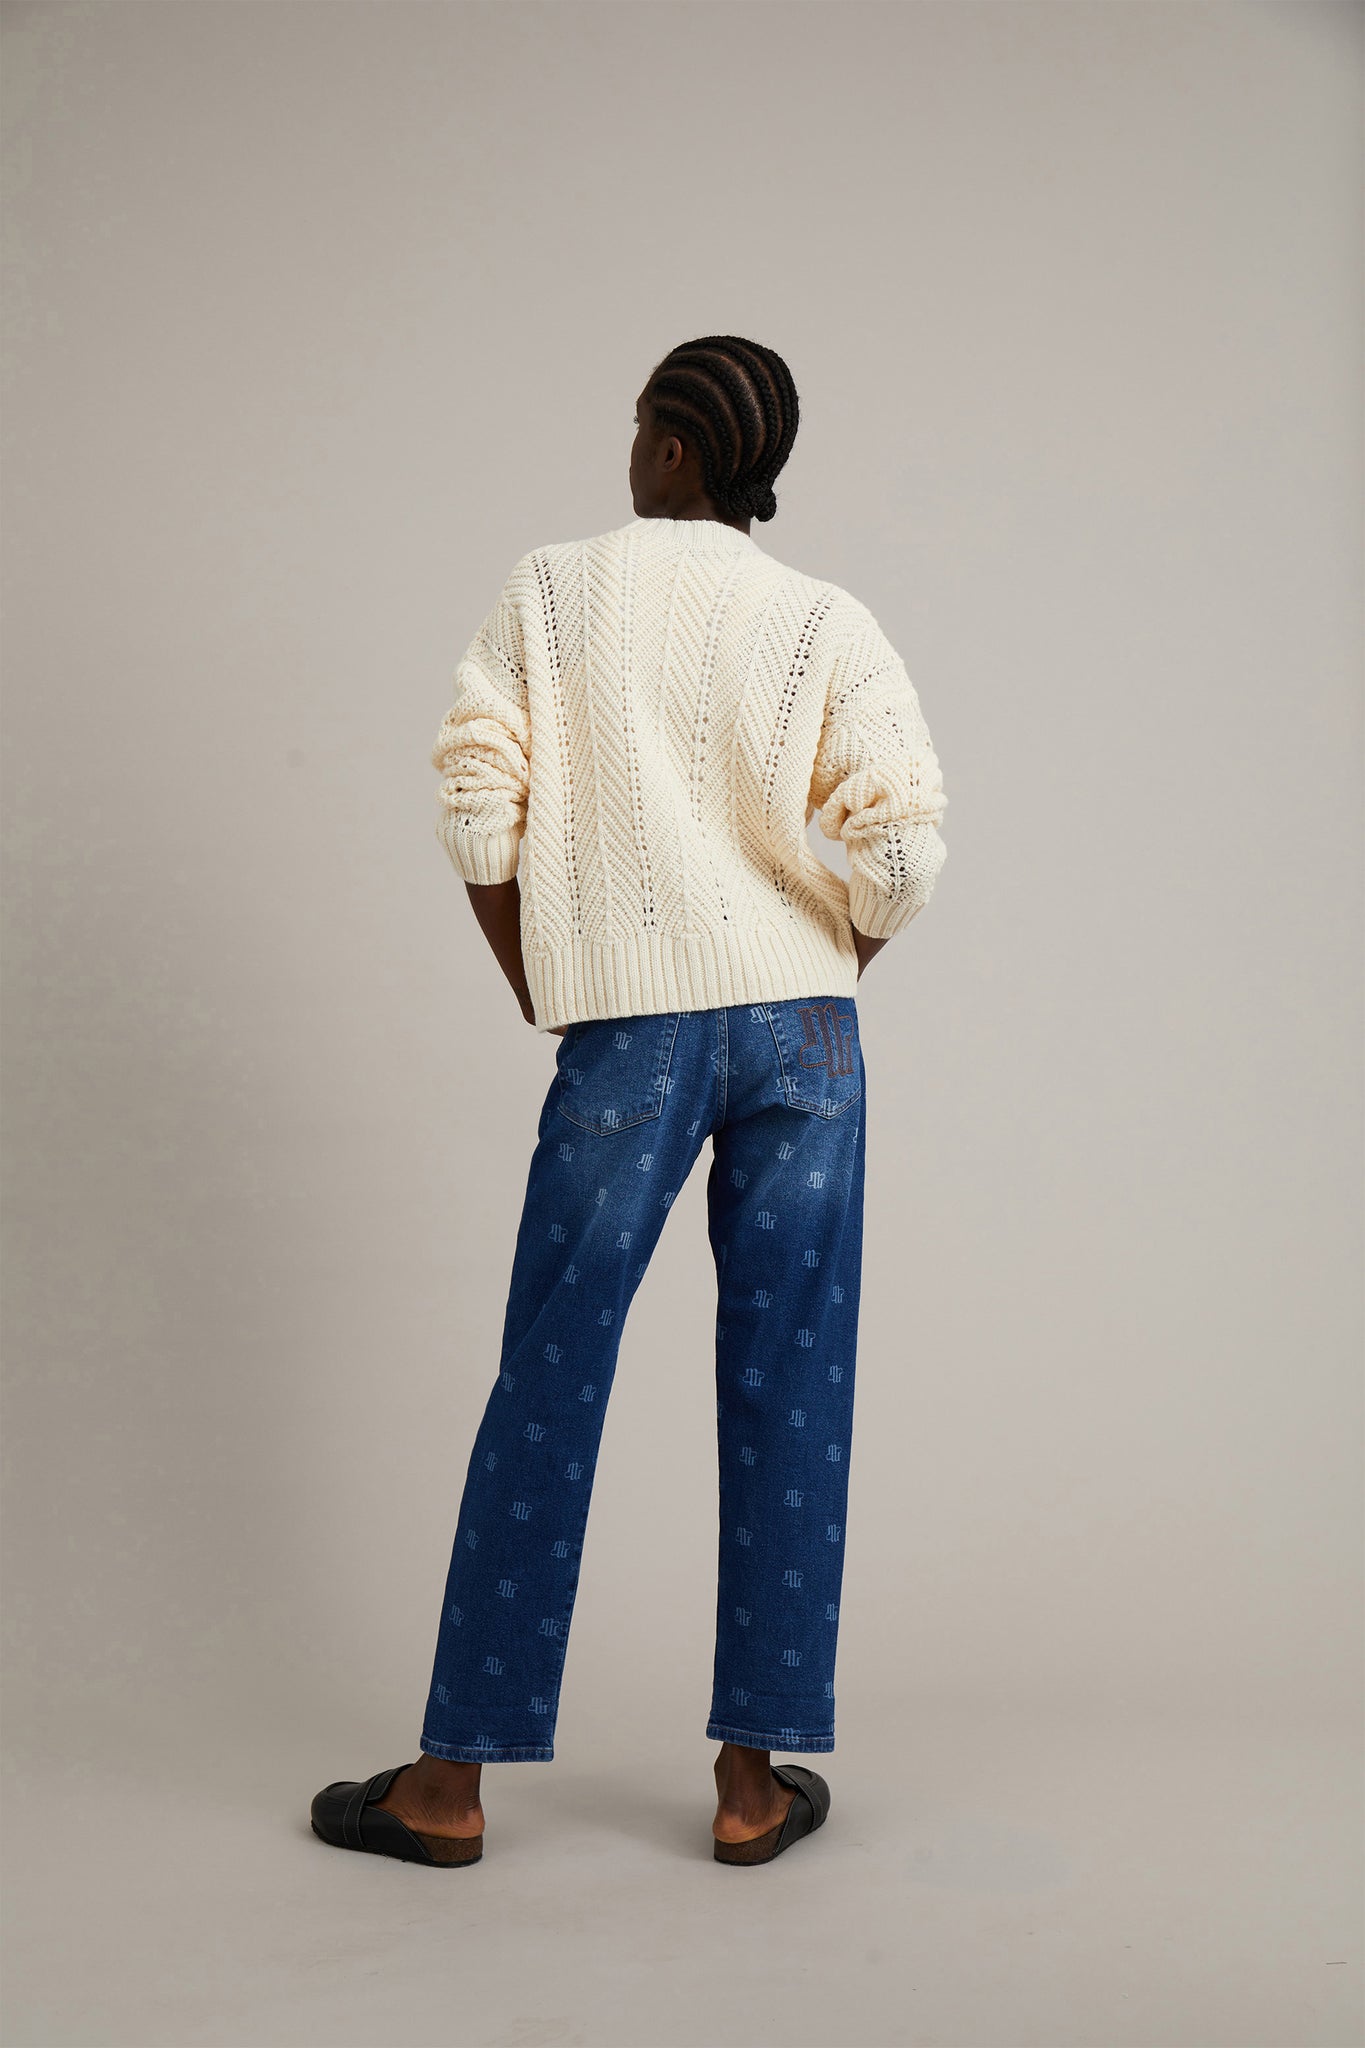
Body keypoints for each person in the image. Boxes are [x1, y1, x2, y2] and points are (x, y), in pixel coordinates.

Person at [311, 334, 948, 1868]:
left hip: (632, 1031)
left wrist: (551, 982)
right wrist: (817, 962)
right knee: (793, 1382)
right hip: (806, 1034)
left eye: (637, 428)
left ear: (670, 448)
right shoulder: (826, 620)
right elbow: (902, 852)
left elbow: (478, 805)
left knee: (550, 1371)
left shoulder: (552, 591)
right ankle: (748, 1786)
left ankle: (447, 1787)